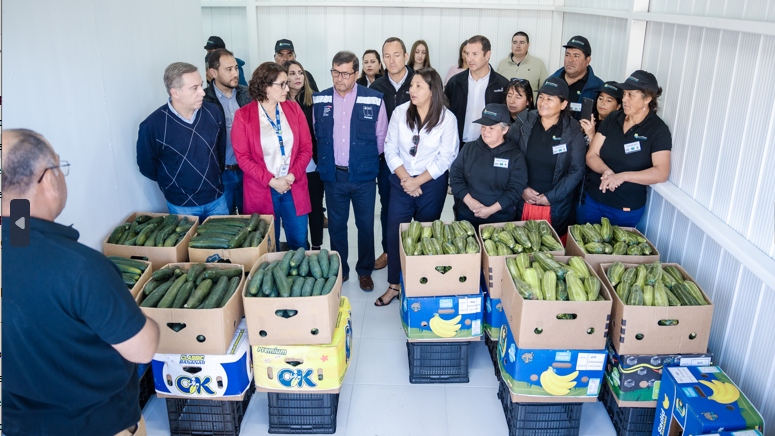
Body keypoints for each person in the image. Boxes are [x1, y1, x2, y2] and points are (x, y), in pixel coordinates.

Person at [2, 129, 160, 436]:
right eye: (59, 167)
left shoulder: (17, 242)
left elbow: (20, 241)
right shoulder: (81, 268)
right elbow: (142, 350)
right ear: (49, 179)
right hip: (97, 426)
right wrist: (142, 317)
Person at [375, 68, 460, 307]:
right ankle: (394, 285)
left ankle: (421, 283)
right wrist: (407, 180)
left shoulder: (447, 119)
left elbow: (446, 157)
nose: (411, 90)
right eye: (411, 85)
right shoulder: (400, 113)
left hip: (431, 185)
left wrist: (418, 181)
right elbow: (390, 148)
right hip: (401, 182)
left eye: (418, 86)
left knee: (426, 236)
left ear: (433, 91)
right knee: (395, 234)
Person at [312, 51, 388, 291]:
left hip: (363, 176)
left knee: (365, 226)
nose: (339, 78)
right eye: (335, 72)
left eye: (345, 74)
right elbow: (317, 135)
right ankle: (341, 270)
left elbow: (381, 138)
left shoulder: (373, 99)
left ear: (356, 73)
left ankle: (365, 271)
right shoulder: (320, 99)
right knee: (336, 226)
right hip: (334, 176)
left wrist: (362, 159)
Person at [231, 62, 313, 250]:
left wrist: (291, 176)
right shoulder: (243, 116)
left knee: (299, 242)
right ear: (265, 86)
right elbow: (243, 158)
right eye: (282, 84)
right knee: (266, 245)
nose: (288, 88)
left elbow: (306, 148)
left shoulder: (294, 109)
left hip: (293, 185)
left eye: (287, 83)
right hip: (262, 188)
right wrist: (272, 181)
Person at [137, 62, 228, 221]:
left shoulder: (213, 112)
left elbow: (220, 151)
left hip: (217, 200)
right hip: (182, 206)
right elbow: (147, 168)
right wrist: (174, 187)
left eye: (201, 85)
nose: (202, 92)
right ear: (175, 92)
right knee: (187, 239)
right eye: (194, 88)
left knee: (224, 238)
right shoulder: (152, 126)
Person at [585, 70, 671, 227]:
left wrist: (623, 176)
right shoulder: (612, 118)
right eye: (624, 94)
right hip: (593, 201)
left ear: (648, 98)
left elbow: (661, 172)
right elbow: (592, 155)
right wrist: (606, 171)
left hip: (625, 209)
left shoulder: (658, 130)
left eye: (631, 95)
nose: (624, 99)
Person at [513, 77, 586, 240]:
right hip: (522, 201)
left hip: (555, 206)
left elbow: (577, 169)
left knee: (551, 247)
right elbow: (508, 156)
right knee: (522, 243)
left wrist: (551, 197)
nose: (543, 102)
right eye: (541, 97)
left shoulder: (572, 129)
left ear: (563, 104)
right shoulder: (524, 121)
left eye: (549, 99)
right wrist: (522, 189)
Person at [370, 37, 417, 271]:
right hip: (386, 159)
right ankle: (389, 251)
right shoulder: (376, 88)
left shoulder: (419, 82)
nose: (392, 60)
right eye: (387, 56)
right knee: (388, 206)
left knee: (419, 207)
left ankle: (416, 253)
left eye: (396, 55)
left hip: (417, 158)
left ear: (406, 56)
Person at [450, 104, 527, 226]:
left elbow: (515, 189)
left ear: (505, 129)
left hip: (501, 220)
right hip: (467, 216)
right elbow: (455, 177)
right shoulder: (469, 149)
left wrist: (491, 210)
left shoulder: (515, 156)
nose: (485, 132)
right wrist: (470, 202)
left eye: (491, 128)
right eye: (483, 127)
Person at [204, 48, 253, 215]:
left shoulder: (248, 95)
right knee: (227, 222)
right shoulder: (203, 101)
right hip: (221, 174)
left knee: (251, 219)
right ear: (213, 72)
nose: (235, 73)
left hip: (248, 171)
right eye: (229, 69)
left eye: (236, 68)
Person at [285, 59, 325, 250]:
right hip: (290, 168)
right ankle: (302, 248)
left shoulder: (313, 100)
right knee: (296, 211)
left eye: (300, 73)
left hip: (313, 165)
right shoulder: (279, 103)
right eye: (292, 73)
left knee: (316, 209)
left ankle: (316, 248)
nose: (298, 77)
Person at [445, 35, 509, 145]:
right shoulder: (454, 82)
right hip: (457, 145)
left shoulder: (502, 85)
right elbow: (445, 113)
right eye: (467, 54)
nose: (469, 59)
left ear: (487, 55)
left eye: (475, 54)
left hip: (488, 146)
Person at [576, 81, 622, 223]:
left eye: (609, 100)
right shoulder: (591, 119)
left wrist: (591, 135)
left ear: (619, 106)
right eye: (600, 98)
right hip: (578, 183)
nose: (602, 103)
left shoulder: (617, 128)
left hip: (596, 187)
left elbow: (599, 157)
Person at [550, 36, 604, 120]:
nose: (570, 60)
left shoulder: (598, 87)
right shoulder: (550, 82)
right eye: (567, 55)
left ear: (588, 60)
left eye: (576, 56)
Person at [496, 31, 548, 101]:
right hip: (507, 106)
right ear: (511, 45)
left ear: (528, 45)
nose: (518, 46)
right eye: (515, 42)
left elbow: (545, 90)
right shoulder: (502, 64)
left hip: (530, 107)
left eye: (522, 42)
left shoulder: (538, 64)